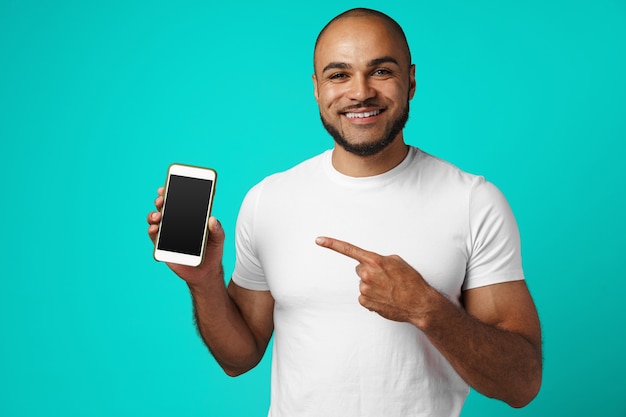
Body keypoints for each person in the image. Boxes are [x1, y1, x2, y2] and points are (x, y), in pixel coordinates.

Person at [147, 8, 542, 417]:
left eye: (381, 71)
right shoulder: (269, 199)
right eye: (339, 75)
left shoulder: (474, 202)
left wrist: (427, 308)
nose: (360, 92)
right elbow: (238, 359)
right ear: (317, 89)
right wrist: (205, 280)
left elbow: (521, 384)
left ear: (411, 81)